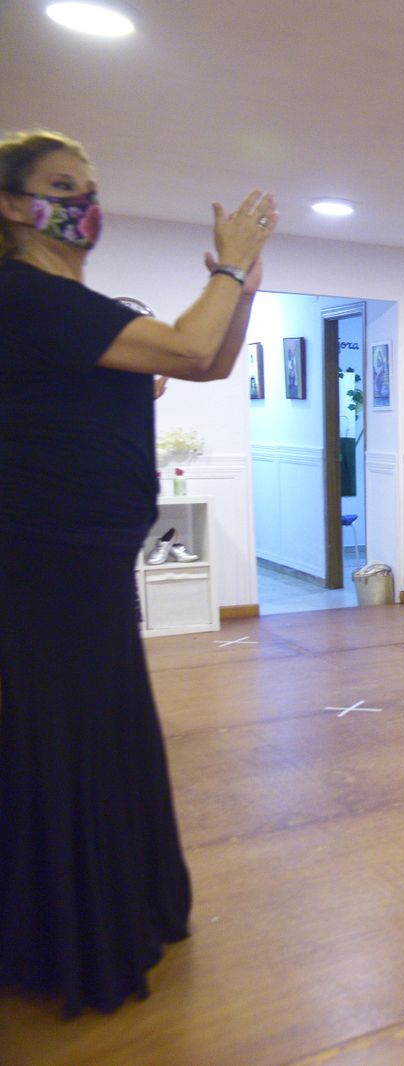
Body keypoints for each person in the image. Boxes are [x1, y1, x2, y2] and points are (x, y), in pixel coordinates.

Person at [0, 129, 276, 1017]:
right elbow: (192, 348)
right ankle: (69, 937)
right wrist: (225, 272)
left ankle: (103, 909)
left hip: (84, 558)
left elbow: (211, 361)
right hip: (44, 559)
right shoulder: (24, 294)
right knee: (65, 740)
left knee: (97, 733)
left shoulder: (80, 309)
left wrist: (245, 288)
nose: (83, 201)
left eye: (88, 185)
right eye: (60, 185)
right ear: (11, 205)